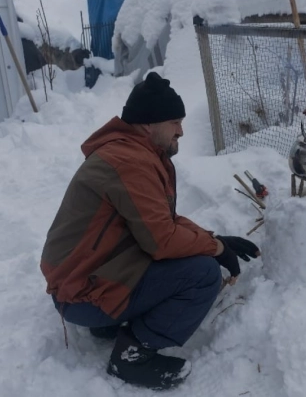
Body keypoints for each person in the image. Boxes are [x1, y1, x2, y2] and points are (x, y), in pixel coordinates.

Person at [39, 72, 260, 390]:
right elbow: (163, 240)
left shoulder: (130, 153)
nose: (181, 131)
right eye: (175, 122)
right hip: (80, 294)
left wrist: (215, 240)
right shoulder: (130, 163)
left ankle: (108, 322)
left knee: (186, 258)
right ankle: (132, 356)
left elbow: (160, 221)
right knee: (202, 274)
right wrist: (216, 250)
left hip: (79, 281)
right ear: (148, 124)